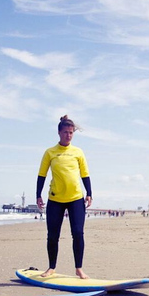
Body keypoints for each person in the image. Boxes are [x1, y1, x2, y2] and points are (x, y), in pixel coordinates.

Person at [36, 115, 92, 279]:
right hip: (55, 199)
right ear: (59, 132)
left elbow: (85, 174)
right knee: (53, 235)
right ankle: (51, 267)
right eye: (66, 132)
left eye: (71, 133)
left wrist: (89, 193)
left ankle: (79, 268)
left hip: (75, 198)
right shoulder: (50, 152)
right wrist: (38, 195)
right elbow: (41, 175)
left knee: (78, 233)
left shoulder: (78, 152)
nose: (69, 135)